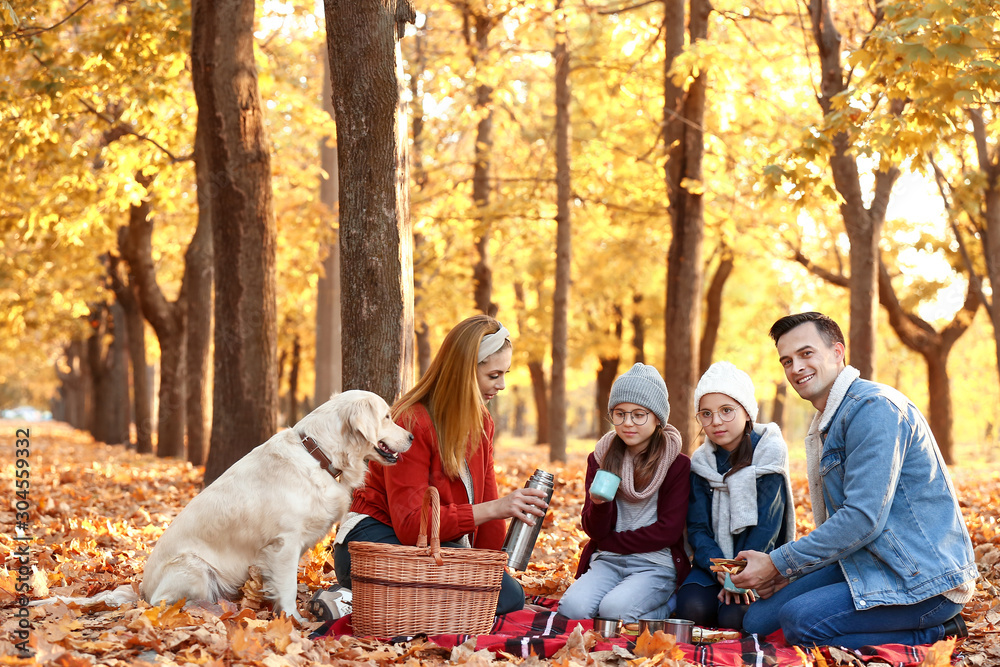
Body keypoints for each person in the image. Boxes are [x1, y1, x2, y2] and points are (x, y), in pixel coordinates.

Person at [732, 312, 976, 648]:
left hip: (923, 579)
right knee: (757, 621)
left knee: (798, 622)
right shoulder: (829, 419)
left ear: (837, 352)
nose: (796, 368)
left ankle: (938, 630)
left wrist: (777, 564)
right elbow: (847, 529)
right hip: (867, 562)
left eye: (806, 354)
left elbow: (862, 519)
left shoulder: (874, 408)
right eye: (787, 361)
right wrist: (789, 572)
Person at [332, 315, 549, 615]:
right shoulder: (413, 420)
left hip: (426, 547)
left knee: (506, 595)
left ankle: (365, 602)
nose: (502, 385)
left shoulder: (482, 423)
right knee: (499, 598)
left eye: (504, 374)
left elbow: (487, 499)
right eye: (493, 375)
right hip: (372, 545)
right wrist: (498, 508)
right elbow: (410, 525)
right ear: (465, 372)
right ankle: (350, 601)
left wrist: (495, 578)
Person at [557, 363, 691, 623]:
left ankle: (668, 604)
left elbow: (668, 530)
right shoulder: (601, 458)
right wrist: (599, 505)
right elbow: (595, 531)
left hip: (655, 564)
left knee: (613, 612)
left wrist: (611, 542)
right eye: (620, 414)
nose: (628, 423)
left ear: (657, 418)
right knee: (572, 609)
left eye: (639, 414)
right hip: (608, 561)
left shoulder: (677, 464)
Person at [676, 361, 795, 631]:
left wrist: (739, 574)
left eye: (726, 410)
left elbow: (769, 527)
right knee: (692, 610)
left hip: (758, 561)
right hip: (713, 562)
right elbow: (697, 527)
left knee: (735, 618)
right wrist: (721, 569)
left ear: (747, 412)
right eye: (706, 414)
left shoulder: (769, 451)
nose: (715, 421)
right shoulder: (702, 462)